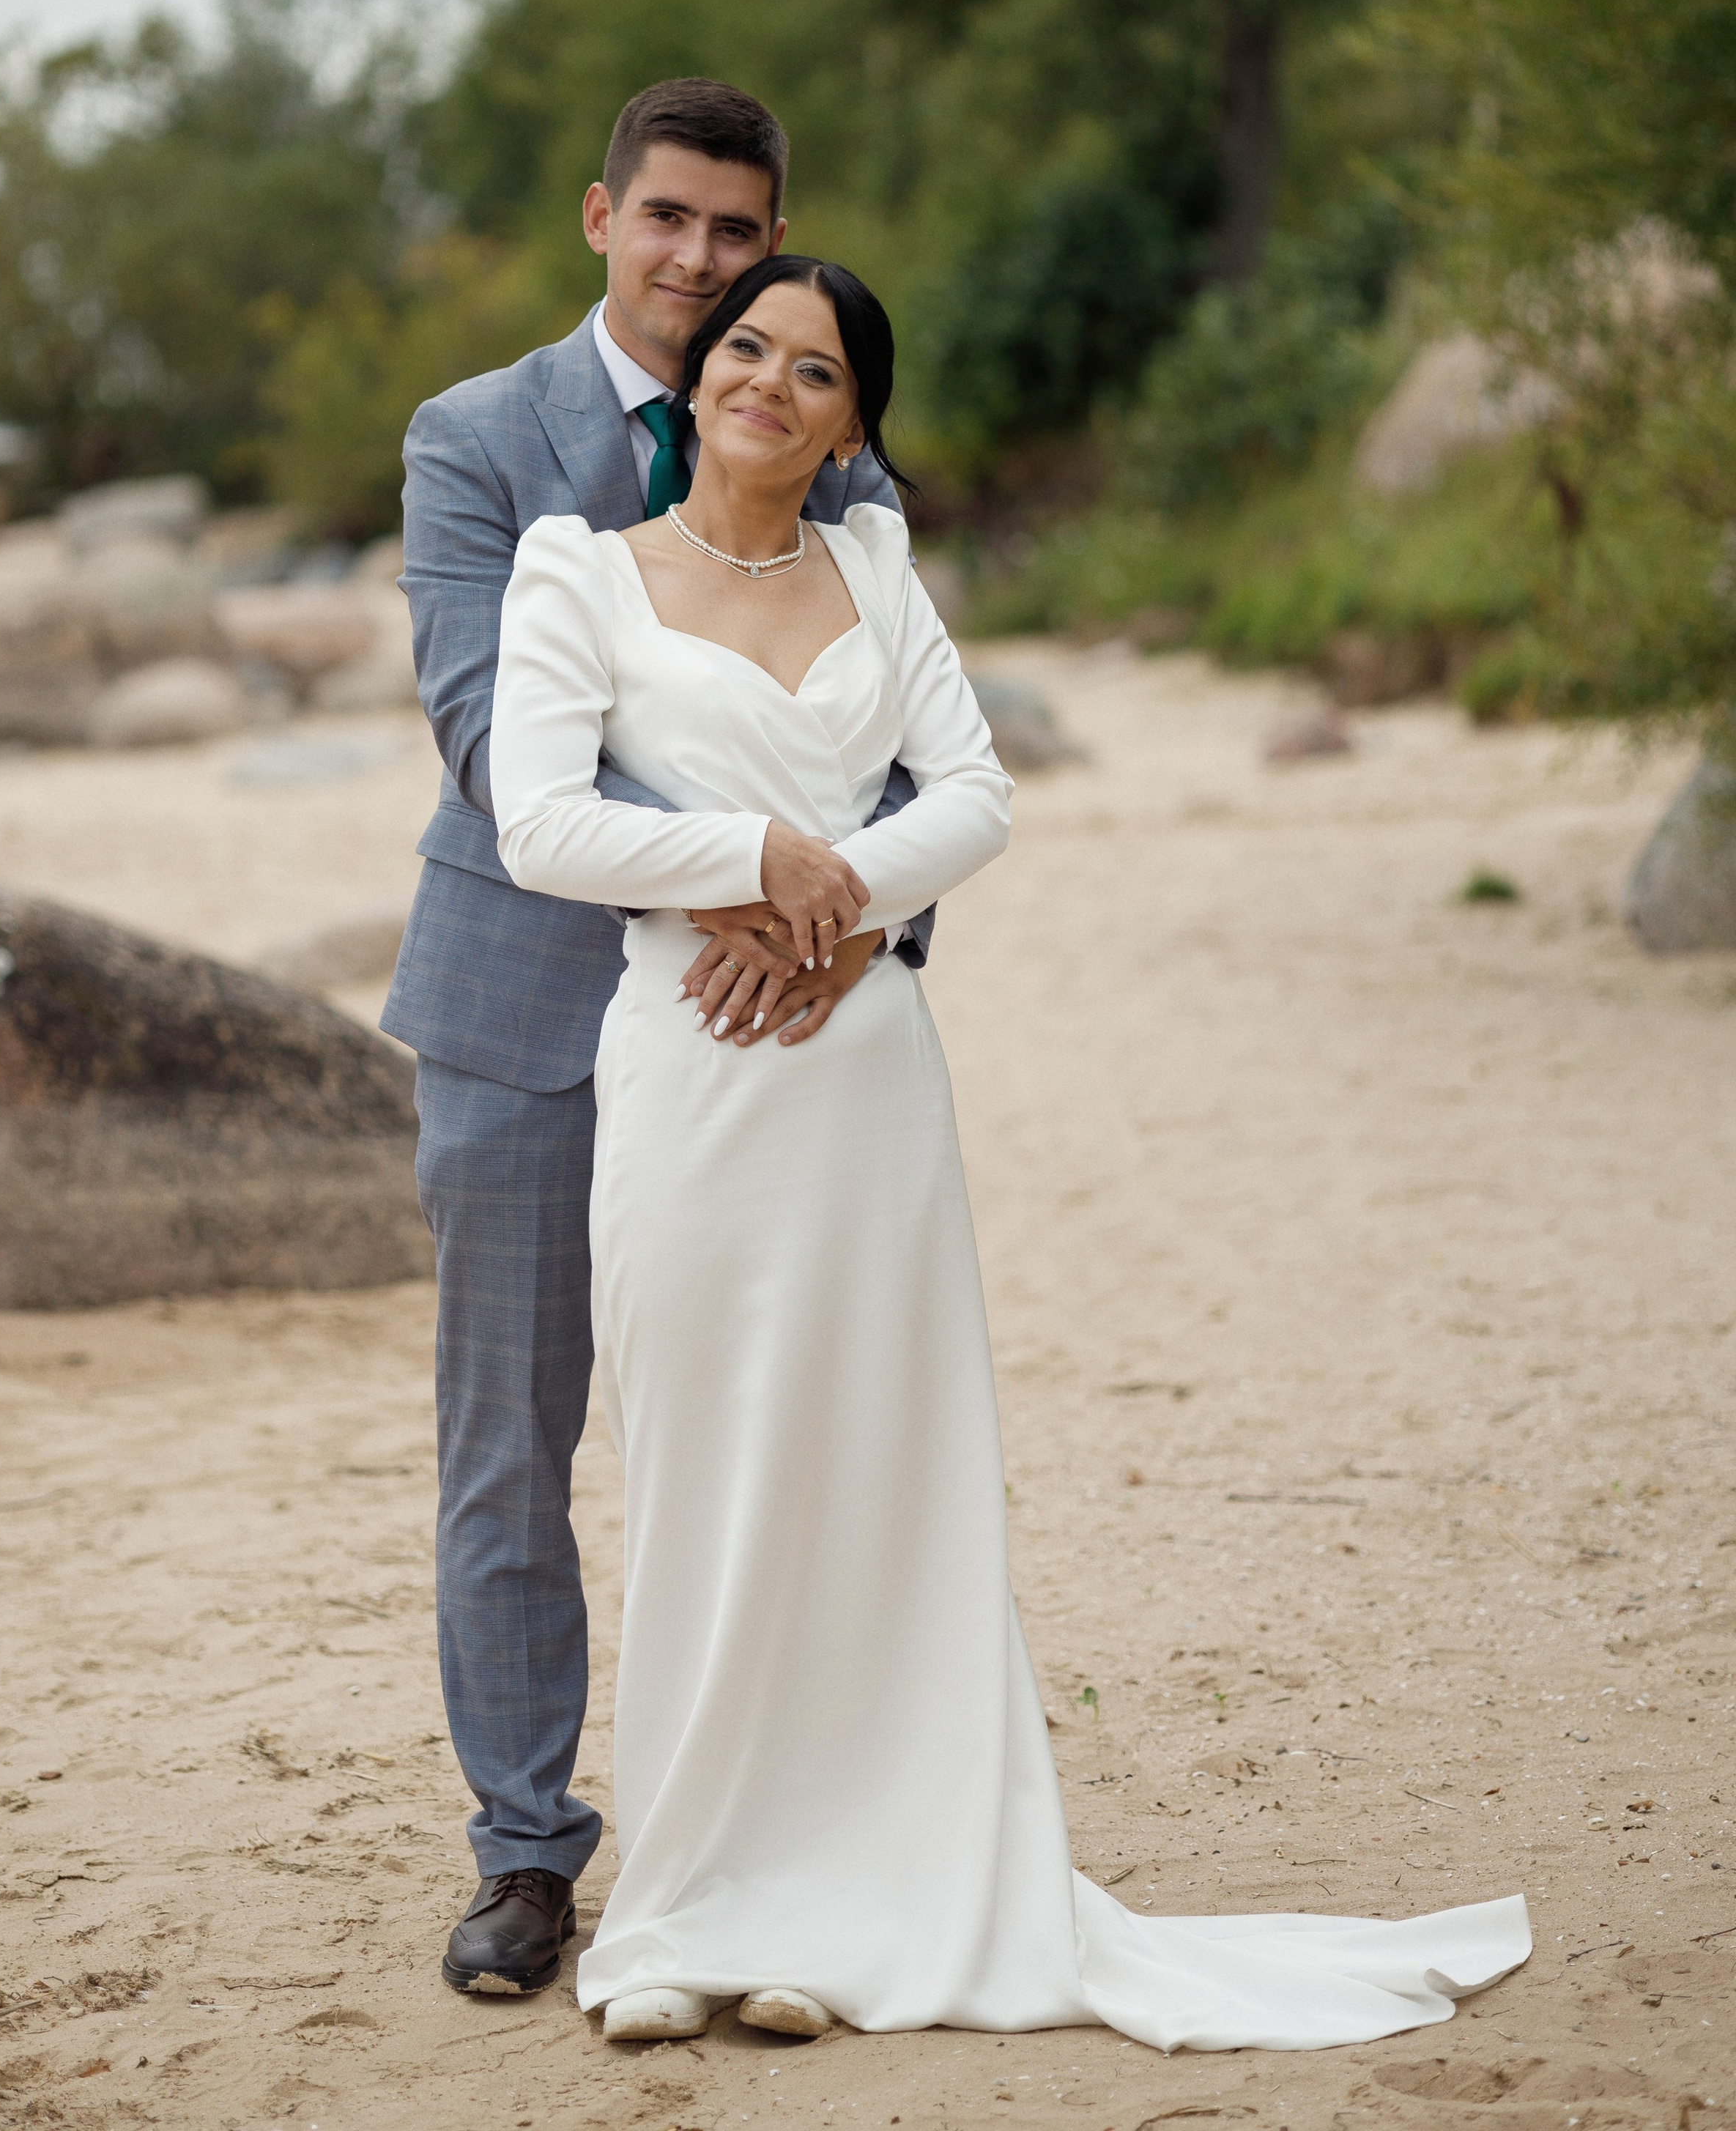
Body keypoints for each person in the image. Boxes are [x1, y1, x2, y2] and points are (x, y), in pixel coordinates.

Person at [486, 250, 1534, 2048]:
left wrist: (841, 915)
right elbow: (539, 822)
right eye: (746, 350)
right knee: (703, 1472)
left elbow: (973, 792)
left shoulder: (878, 573)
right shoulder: (575, 573)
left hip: (862, 1074)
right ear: (696, 381)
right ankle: (675, 1911)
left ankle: (849, 1908)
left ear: (851, 428)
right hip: (687, 1068)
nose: (769, 386)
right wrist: (756, 864)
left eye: (816, 374)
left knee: (873, 1479)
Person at [382, 79, 932, 2000]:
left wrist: (850, 925)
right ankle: (527, 1857)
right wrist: (744, 867)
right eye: (671, 222)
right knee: (510, 1454)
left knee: (779, 1441)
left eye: (737, 230)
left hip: (774, 1019)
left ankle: (774, 1838)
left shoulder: (840, 453)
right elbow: (481, 724)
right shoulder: (475, 441)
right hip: (527, 1016)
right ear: (602, 218)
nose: (701, 264)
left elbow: (905, 755)